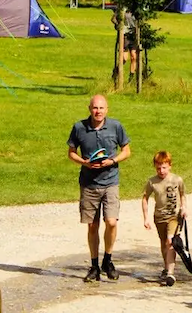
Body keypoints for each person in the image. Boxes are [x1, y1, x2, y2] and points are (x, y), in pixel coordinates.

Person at [67, 94, 132, 282]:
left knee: (111, 222)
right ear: (90, 109)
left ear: (107, 110)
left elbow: (127, 151)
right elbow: (71, 153)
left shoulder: (115, 126)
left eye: (101, 108)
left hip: (110, 181)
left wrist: (112, 161)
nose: (98, 111)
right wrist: (84, 162)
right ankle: (94, 265)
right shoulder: (79, 127)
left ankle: (108, 260)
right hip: (89, 183)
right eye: (95, 108)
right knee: (92, 225)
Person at [141, 150, 188, 286]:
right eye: (158, 168)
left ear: (170, 166)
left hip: (174, 216)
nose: (161, 171)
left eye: (164, 168)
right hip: (159, 217)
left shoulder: (177, 180)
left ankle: (170, 274)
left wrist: (184, 207)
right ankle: (167, 267)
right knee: (163, 243)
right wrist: (146, 218)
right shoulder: (152, 182)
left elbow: (182, 194)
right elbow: (145, 198)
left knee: (170, 241)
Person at [111, 9, 138, 78]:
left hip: (133, 36)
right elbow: (113, 19)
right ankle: (116, 72)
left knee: (134, 57)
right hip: (124, 36)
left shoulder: (135, 9)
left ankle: (131, 77)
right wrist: (119, 26)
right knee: (124, 59)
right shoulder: (122, 9)